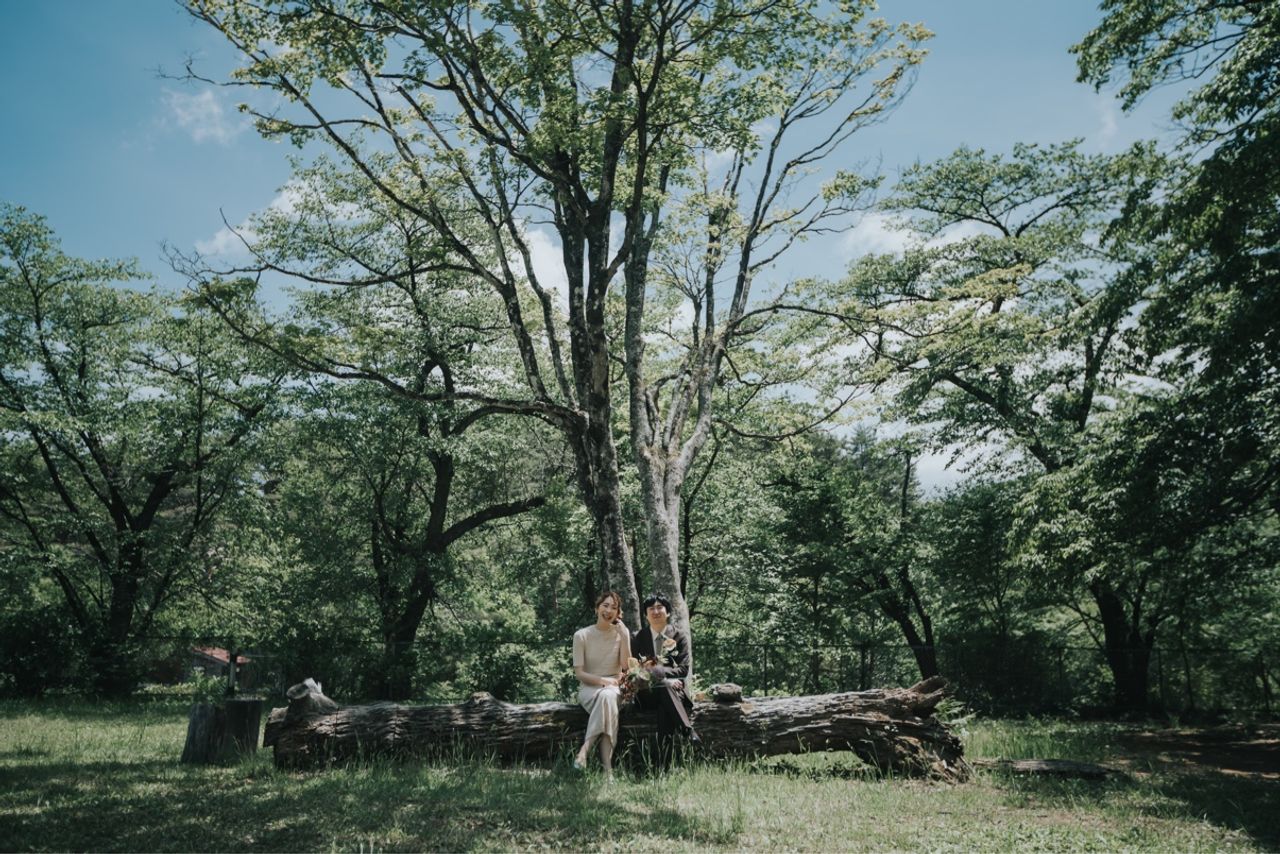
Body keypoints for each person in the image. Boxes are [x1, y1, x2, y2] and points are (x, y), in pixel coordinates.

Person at [630, 592, 697, 768]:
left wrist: (657, 672)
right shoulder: (637, 638)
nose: (656, 611)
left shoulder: (679, 636)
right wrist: (663, 676)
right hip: (646, 693)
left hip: (674, 691)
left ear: (667, 612)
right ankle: (687, 730)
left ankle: (663, 765)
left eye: (660, 607)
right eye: (651, 609)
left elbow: (683, 669)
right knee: (664, 688)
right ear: (646, 615)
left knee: (664, 702)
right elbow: (635, 669)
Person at [572, 590, 631, 777]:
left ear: (618, 613)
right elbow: (579, 673)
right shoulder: (581, 635)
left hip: (615, 689)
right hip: (589, 689)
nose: (609, 610)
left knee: (608, 697)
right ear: (597, 608)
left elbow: (626, 667)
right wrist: (603, 681)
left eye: (614, 607)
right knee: (607, 700)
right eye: (605, 605)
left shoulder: (620, 634)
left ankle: (584, 751)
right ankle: (608, 771)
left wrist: (625, 636)